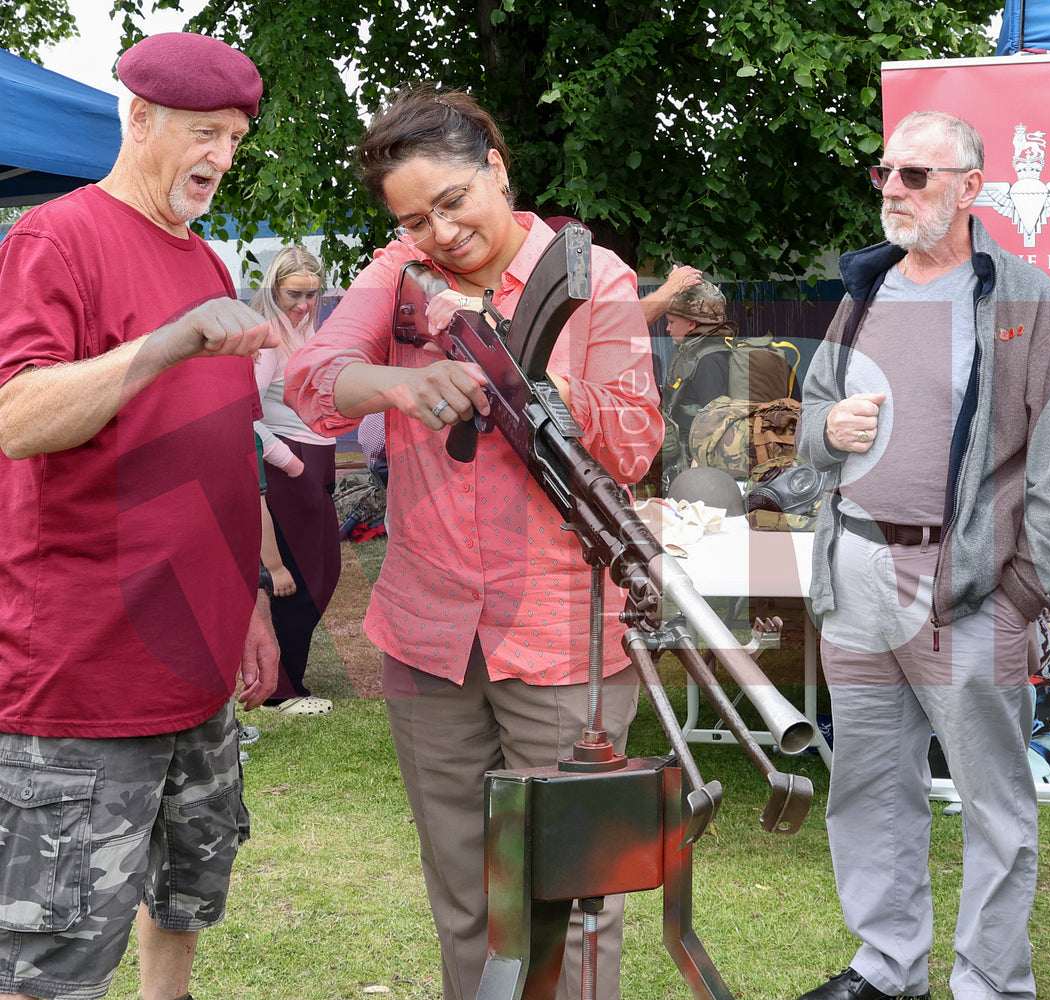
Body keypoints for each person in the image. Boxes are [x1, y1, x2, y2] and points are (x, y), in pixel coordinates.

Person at [283, 87, 660, 1000]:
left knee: (571, 892)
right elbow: (313, 379)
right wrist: (398, 385)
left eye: (453, 202)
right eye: (416, 218)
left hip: (563, 633)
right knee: (465, 890)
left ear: (496, 166)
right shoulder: (395, 271)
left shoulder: (591, 273)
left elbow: (639, 437)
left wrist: (550, 399)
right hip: (428, 632)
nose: (440, 232)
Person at [0, 31, 278, 1000]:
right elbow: (19, 418)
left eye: (236, 137)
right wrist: (165, 343)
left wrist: (246, 595)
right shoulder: (56, 236)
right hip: (85, 674)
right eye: (204, 131)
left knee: (183, 899)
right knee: (53, 961)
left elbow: (211, 450)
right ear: (141, 118)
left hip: (195, 664)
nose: (221, 156)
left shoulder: (203, 261)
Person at [793, 110, 1050, 1000]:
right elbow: (809, 423)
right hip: (856, 576)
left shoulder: (1026, 299)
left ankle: (992, 984)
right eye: (885, 172)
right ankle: (888, 972)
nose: (893, 190)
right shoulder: (863, 292)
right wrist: (825, 429)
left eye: (916, 176)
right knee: (869, 787)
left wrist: (1023, 591)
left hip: (966, 591)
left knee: (993, 805)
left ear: (971, 187)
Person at [250, 245, 338, 716]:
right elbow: (244, 412)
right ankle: (281, 689)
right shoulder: (266, 340)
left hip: (318, 458)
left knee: (324, 573)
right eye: (294, 294)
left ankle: (283, 676)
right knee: (301, 577)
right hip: (293, 463)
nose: (304, 304)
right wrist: (285, 458)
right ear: (274, 289)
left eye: (312, 294)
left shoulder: (304, 331)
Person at [657, 279, 798, 488]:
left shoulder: (707, 359)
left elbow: (715, 419)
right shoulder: (701, 351)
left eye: (671, 321)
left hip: (704, 463)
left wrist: (699, 469)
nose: (667, 328)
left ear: (691, 324)